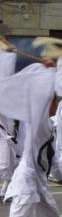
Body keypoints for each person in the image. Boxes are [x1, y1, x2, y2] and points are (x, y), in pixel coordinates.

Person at [0, 60, 62, 217]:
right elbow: (41, 100)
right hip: (26, 179)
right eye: (53, 101)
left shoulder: (48, 126)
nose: (55, 105)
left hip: (39, 181)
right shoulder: (37, 124)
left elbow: (51, 156)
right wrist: (49, 72)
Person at [0, 50, 17, 201]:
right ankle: (7, 189)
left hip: (7, 135)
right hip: (3, 135)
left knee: (8, 165)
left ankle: (7, 189)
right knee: (7, 164)